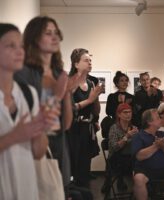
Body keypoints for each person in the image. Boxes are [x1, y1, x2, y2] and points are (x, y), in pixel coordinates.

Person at [13, 16, 77, 197]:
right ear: (34, 37)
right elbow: (27, 118)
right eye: (48, 33)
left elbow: (65, 124)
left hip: (58, 147)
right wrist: (57, 95)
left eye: (56, 33)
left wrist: (66, 94)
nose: (55, 37)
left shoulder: (59, 73)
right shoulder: (22, 73)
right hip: (32, 149)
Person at [0, 23, 49, 200]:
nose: (20, 51)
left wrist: (40, 129)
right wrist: (15, 136)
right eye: (10, 46)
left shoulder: (29, 94)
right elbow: (19, 135)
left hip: (26, 188)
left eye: (21, 46)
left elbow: (38, 152)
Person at [131, 109, 164, 200]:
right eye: (158, 118)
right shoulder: (139, 136)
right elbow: (139, 156)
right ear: (149, 122)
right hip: (145, 168)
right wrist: (156, 146)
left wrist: (163, 147)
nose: (161, 119)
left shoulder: (162, 134)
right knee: (138, 178)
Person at [68, 48, 103, 187]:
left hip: (86, 129)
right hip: (72, 130)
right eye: (86, 60)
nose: (89, 63)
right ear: (76, 64)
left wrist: (95, 100)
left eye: (90, 60)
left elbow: (95, 109)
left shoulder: (91, 83)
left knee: (85, 167)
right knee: (73, 167)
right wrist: (89, 100)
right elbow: (68, 109)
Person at [106, 103, 138, 191]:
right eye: (125, 112)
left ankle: (143, 185)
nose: (128, 114)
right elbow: (114, 147)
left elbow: (138, 146)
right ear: (119, 114)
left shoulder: (134, 128)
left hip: (130, 158)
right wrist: (126, 136)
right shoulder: (114, 128)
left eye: (130, 112)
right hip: (116, 159)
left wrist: (138, 138)